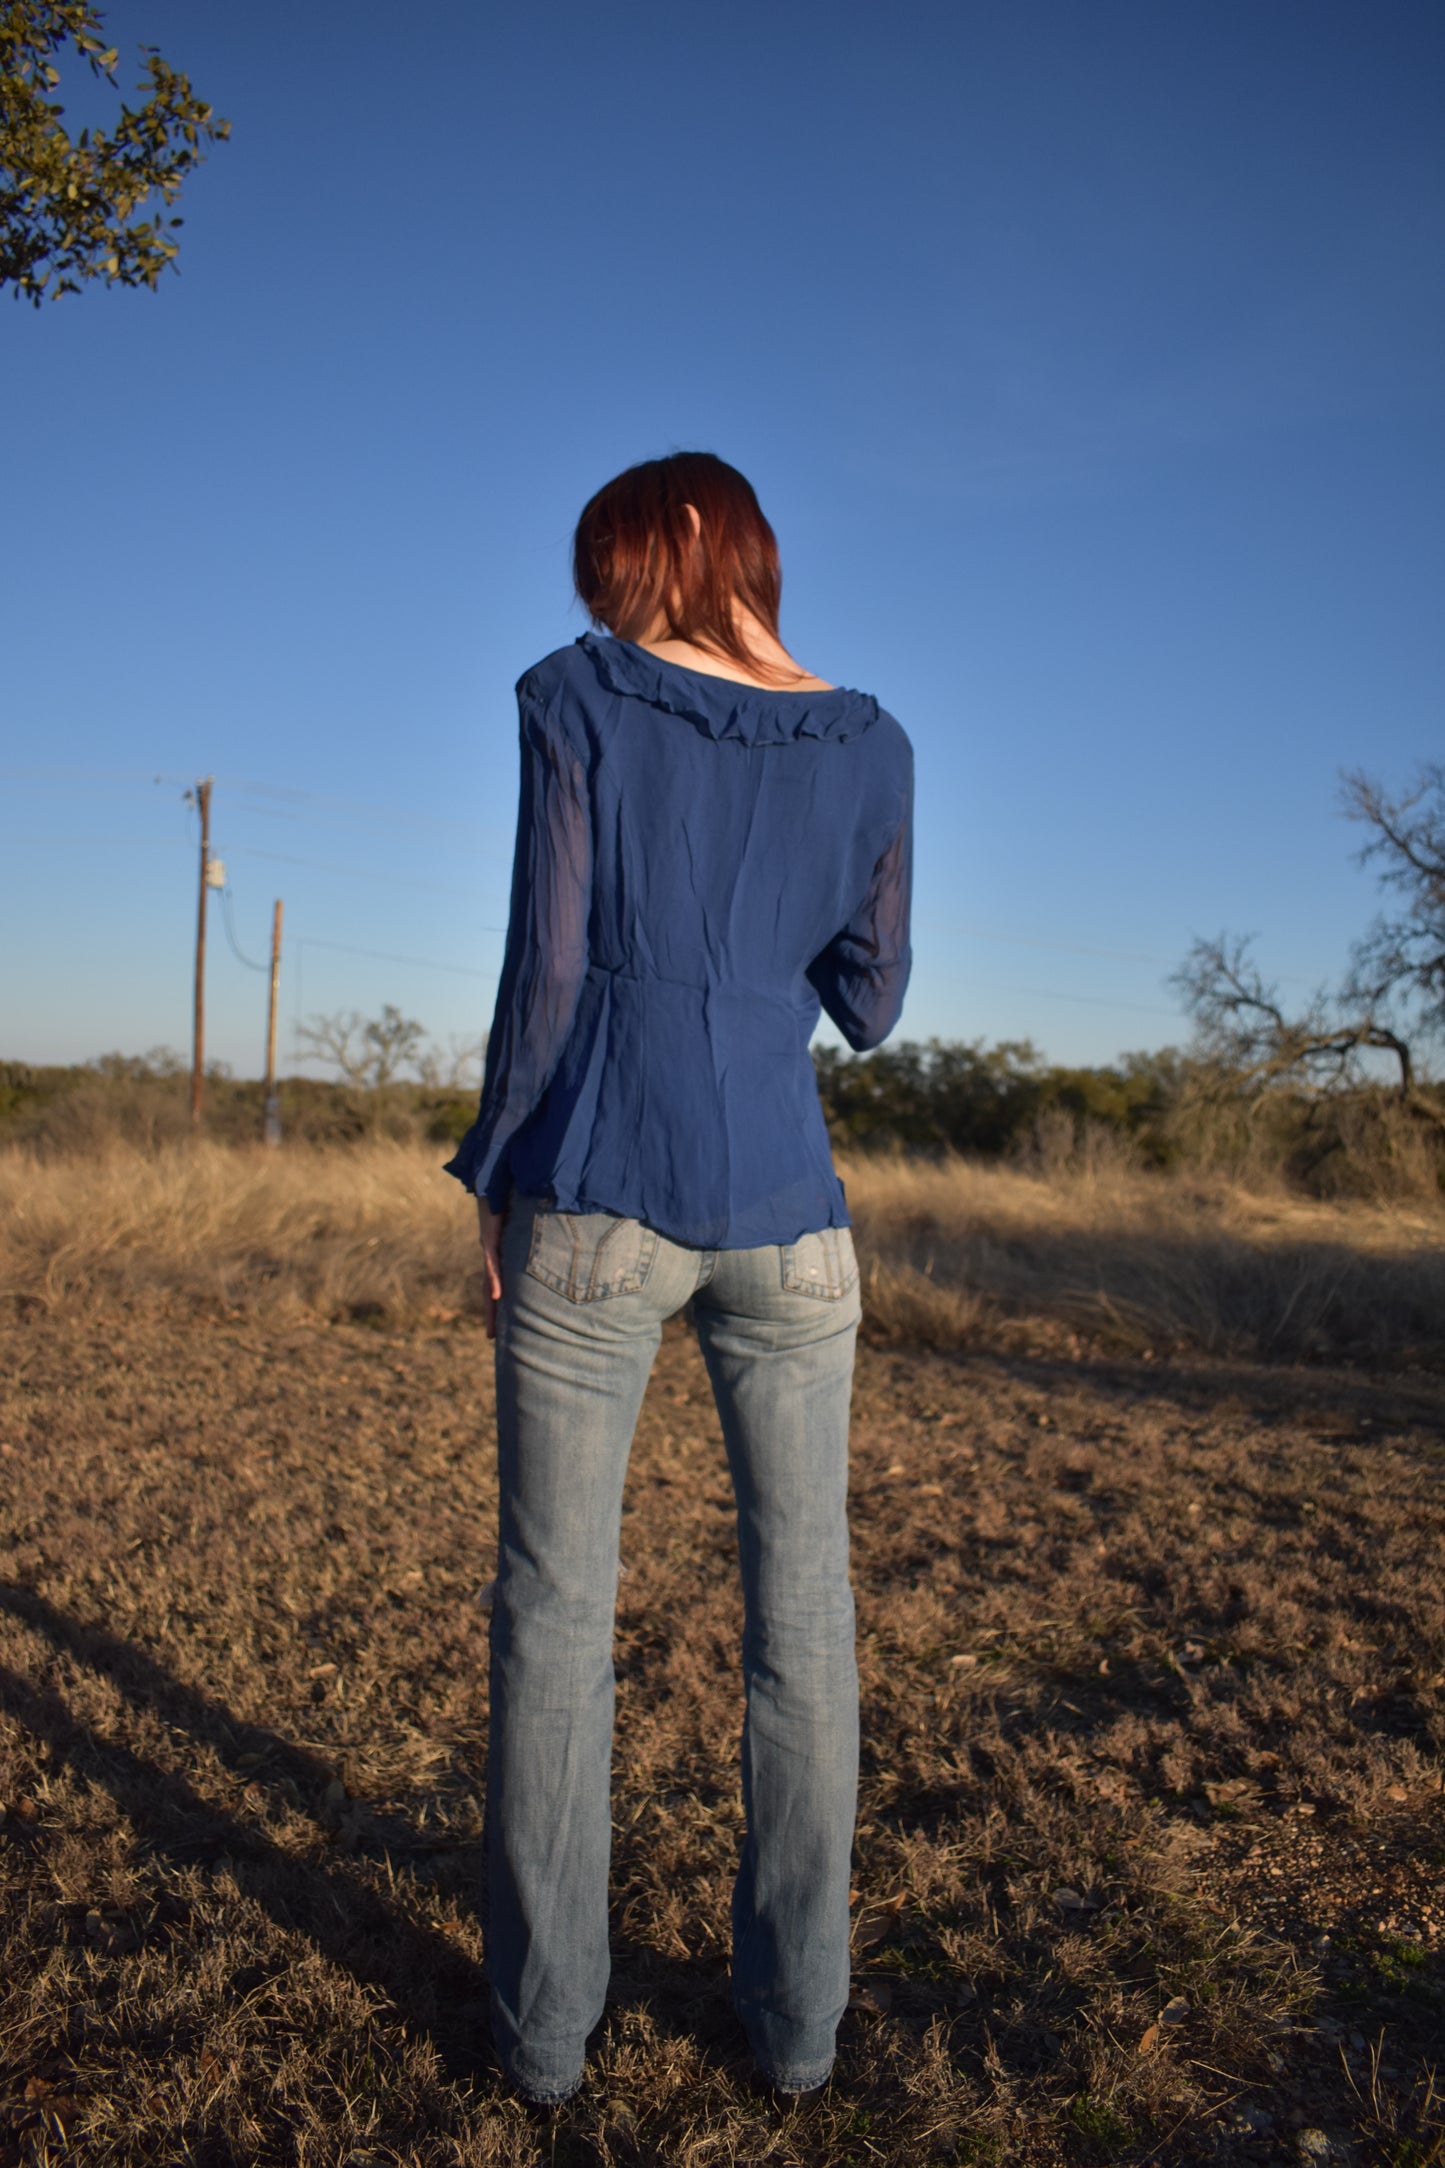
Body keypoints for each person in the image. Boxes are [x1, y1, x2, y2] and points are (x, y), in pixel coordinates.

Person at [444, 450, 913, 2106]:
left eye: (610, 559)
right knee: (806, 1622)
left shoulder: (575, 698)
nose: (601, 599)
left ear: (690, 538)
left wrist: (495, 1170)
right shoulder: (872, 741)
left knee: (556, 1620)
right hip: (792, 1220)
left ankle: (546, 2043)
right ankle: (795, 2038)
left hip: (596, 1196)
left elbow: (549, 960)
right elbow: (872, 1000)